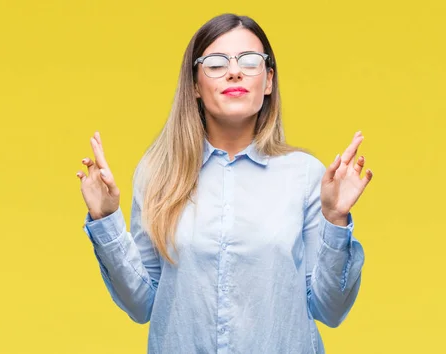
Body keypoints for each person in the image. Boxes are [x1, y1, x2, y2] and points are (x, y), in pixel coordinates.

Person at [76, 13, 373, 354]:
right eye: (216, 64)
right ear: (195, 86)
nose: (234, 71)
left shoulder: (305, 175)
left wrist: (336, 219)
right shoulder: (158, 174)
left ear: (268, 80)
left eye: (249, 61)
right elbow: (142, 304)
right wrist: (105, 221)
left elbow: (330, 309)